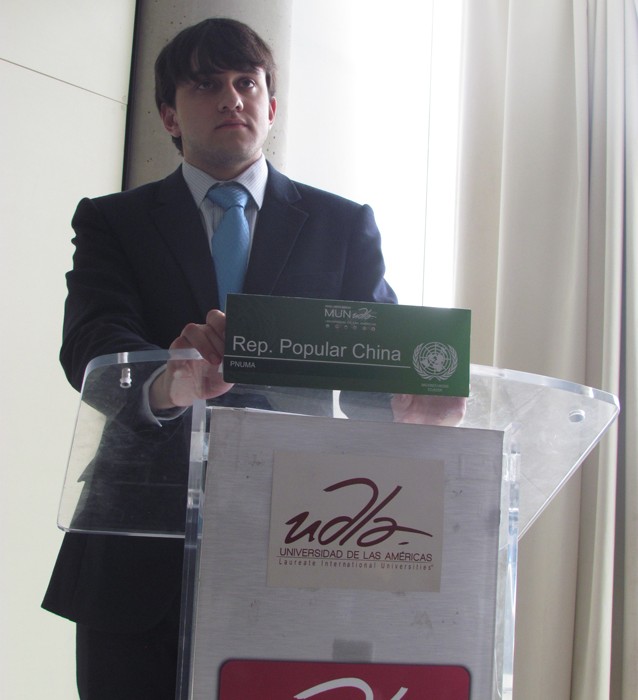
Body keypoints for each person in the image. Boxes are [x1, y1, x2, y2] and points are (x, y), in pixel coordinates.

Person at [42, 17, 464, 700]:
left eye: (247, 83)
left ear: (272, 106)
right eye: (206, 85)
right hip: (137, 548)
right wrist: (168, 381)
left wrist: (405, 406)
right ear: (168, 115)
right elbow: (92, 344)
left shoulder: (342, 223)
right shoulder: (113, 221)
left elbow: (374, 359)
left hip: (302, 534)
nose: (232, 98)